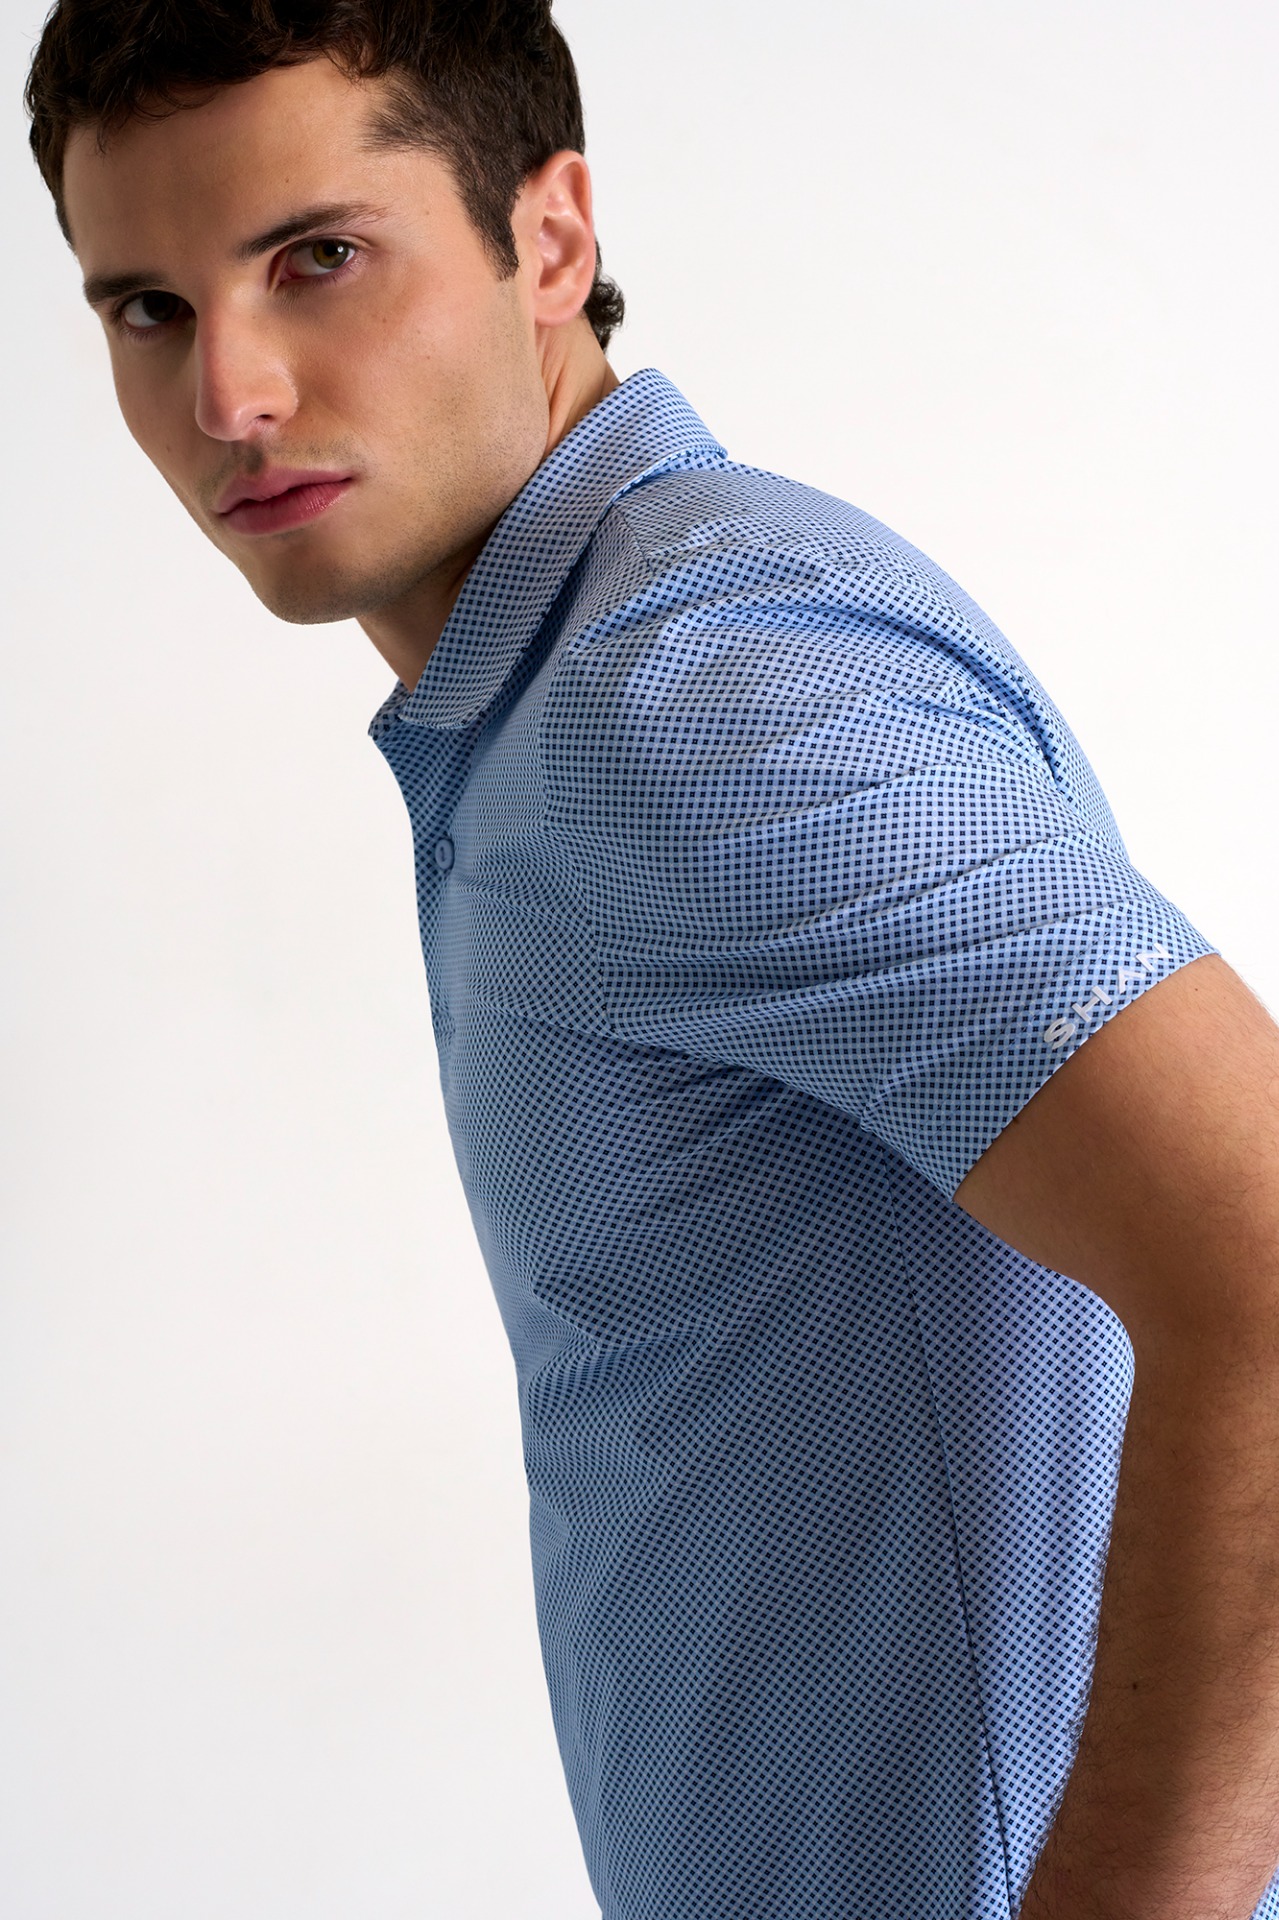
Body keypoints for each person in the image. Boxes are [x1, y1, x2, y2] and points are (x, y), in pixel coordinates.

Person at [23, 4, 1279, 1917]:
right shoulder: (564, 689)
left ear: (549, 239)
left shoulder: (688, 691)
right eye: (149, 308)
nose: (231, 393)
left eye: (318, 259)